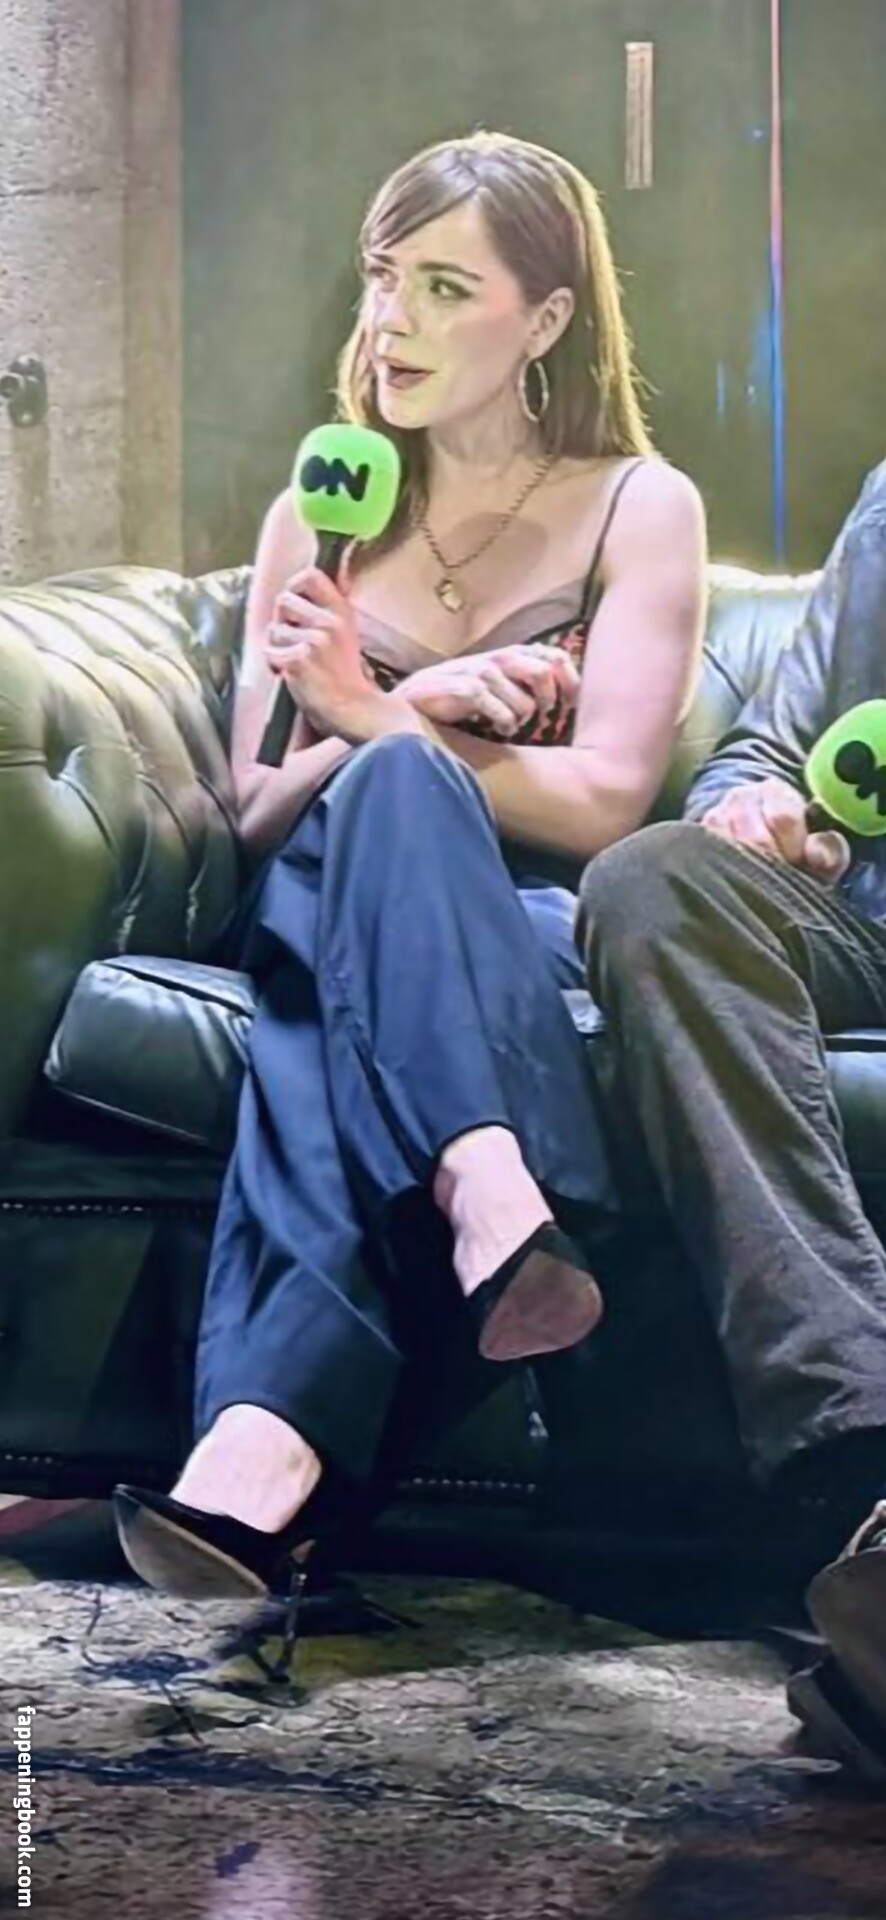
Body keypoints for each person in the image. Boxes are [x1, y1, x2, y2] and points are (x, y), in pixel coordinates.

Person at [112, 130, 705, 1635]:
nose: (393, 322)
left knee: (341, 941)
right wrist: (420, 710)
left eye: (447, 288)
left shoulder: (638, 505)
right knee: (376, 799)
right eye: (385, 279)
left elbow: (606, 803)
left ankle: (262, 1447)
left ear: (546, 318)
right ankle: (489, 1187)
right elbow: (257, 810)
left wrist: (382, 717)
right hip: (316, 896)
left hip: (512, 930)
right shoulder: (318, 515)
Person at [576, 458, 886, 1767]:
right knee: (652, 879)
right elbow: (768, 746)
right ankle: (858, 1462)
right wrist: (754, 814)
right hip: (859, 918)